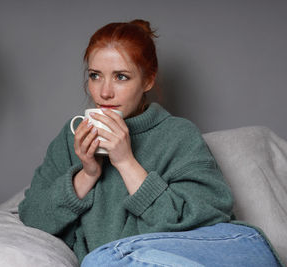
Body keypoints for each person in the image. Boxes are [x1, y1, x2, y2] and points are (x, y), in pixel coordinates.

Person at [18, 19, 282, 266]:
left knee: (105, 259)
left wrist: (125, 161)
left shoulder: (178, 134)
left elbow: (206, 216)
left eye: (121, 76)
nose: (104, 91)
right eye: (95, 75)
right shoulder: (73, 136)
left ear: (148, 80)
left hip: (219, 247)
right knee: (103, 261)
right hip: (127, 260)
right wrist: (88, 174)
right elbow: (34, 216)